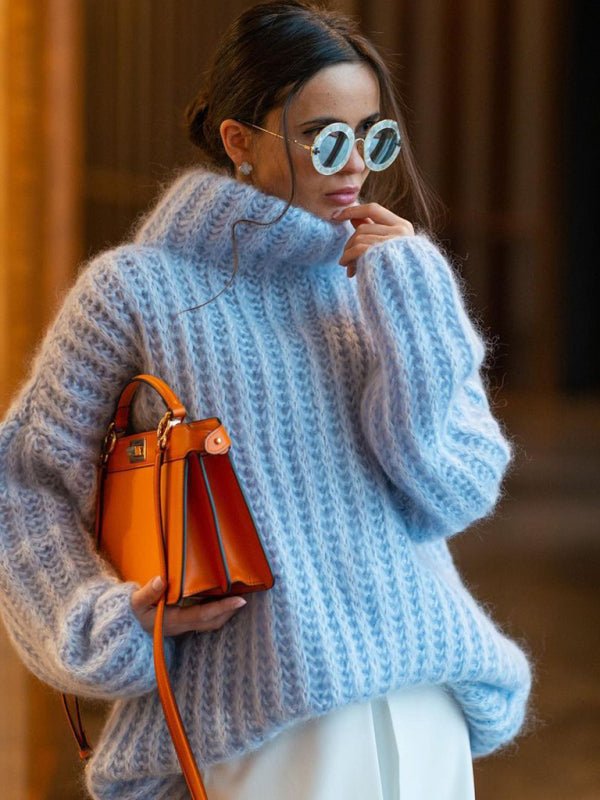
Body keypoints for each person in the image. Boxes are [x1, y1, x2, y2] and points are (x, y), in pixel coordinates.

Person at [0, 2, 533, 798]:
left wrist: (417, 296)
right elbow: (24, 483)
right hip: (264, 732)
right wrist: (103, 622)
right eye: (325, 137)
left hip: (425, 710)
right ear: (239, 141)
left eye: (373, 136)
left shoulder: (384, 283)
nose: (355, 164)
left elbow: (452, 492)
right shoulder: (135, 292)